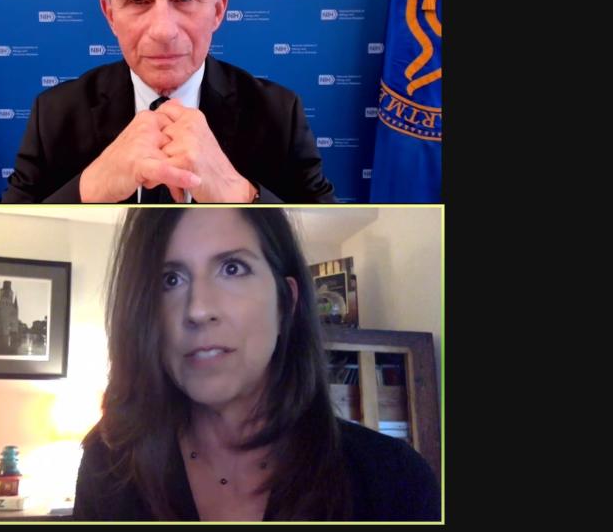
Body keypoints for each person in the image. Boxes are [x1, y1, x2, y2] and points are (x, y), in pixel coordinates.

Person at [73, 208, 440, 521]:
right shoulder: (108, 469)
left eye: (233, 268)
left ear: (286, 303)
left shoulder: (394, 479)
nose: (199, 309)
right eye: (170, 280)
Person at [0, 0, 337, 204]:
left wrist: (240, 194)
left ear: (218, 8)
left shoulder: (279, 114)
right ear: (110, 14)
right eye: (138, 0)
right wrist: (87, 189)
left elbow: (324, 237)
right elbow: (6, 241)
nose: (163, 30)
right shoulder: (55, 115)